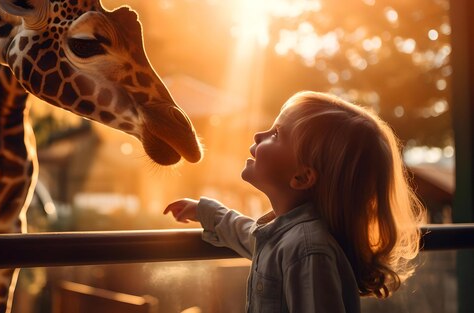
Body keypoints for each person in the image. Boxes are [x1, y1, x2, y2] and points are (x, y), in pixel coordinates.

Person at [164, 91, 426, 312]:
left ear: (302, 177)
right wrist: (207, 212)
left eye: (276, 134)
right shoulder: (288, 237)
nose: (258, 135)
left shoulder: (308, 251)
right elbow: (249, 236)